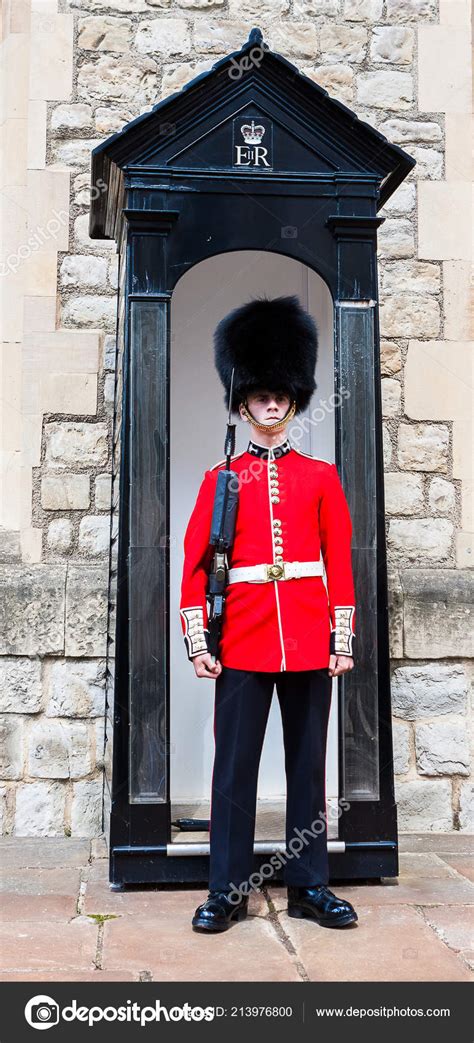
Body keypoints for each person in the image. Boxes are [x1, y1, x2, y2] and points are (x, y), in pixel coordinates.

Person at [179, 295, 357, 933]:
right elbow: (196, 566)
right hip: (245, 642)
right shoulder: (218, 479)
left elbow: (339, 561)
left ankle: (311, 887)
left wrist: (341, 638)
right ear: (244, 403)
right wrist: (201, 639)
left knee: (308, 769)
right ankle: (226, 890)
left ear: (293, 399)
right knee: (234, 771)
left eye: (281, 394)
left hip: (309, 639)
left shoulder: (321, 477)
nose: (272, 405)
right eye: (260, 396)